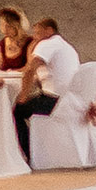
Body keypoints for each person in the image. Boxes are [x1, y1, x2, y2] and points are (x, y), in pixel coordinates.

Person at [12, 16, 84, 157]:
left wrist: (23, 96)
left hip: (54, 100)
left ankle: (29, 154)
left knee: (17, 111)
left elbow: (29, 70)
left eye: (38, 33)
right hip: (71, 99)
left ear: (49, 31)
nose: (34, 37)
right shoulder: (66, 46)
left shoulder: (48, 44)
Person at [0, 7, 33, 72]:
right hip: (5, 80)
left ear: (17, 27)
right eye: (2, 25)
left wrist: (14, 72)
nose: (4, 29)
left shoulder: (29, 42)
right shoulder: (2, 43)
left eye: (8, 26)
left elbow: (30, 67)